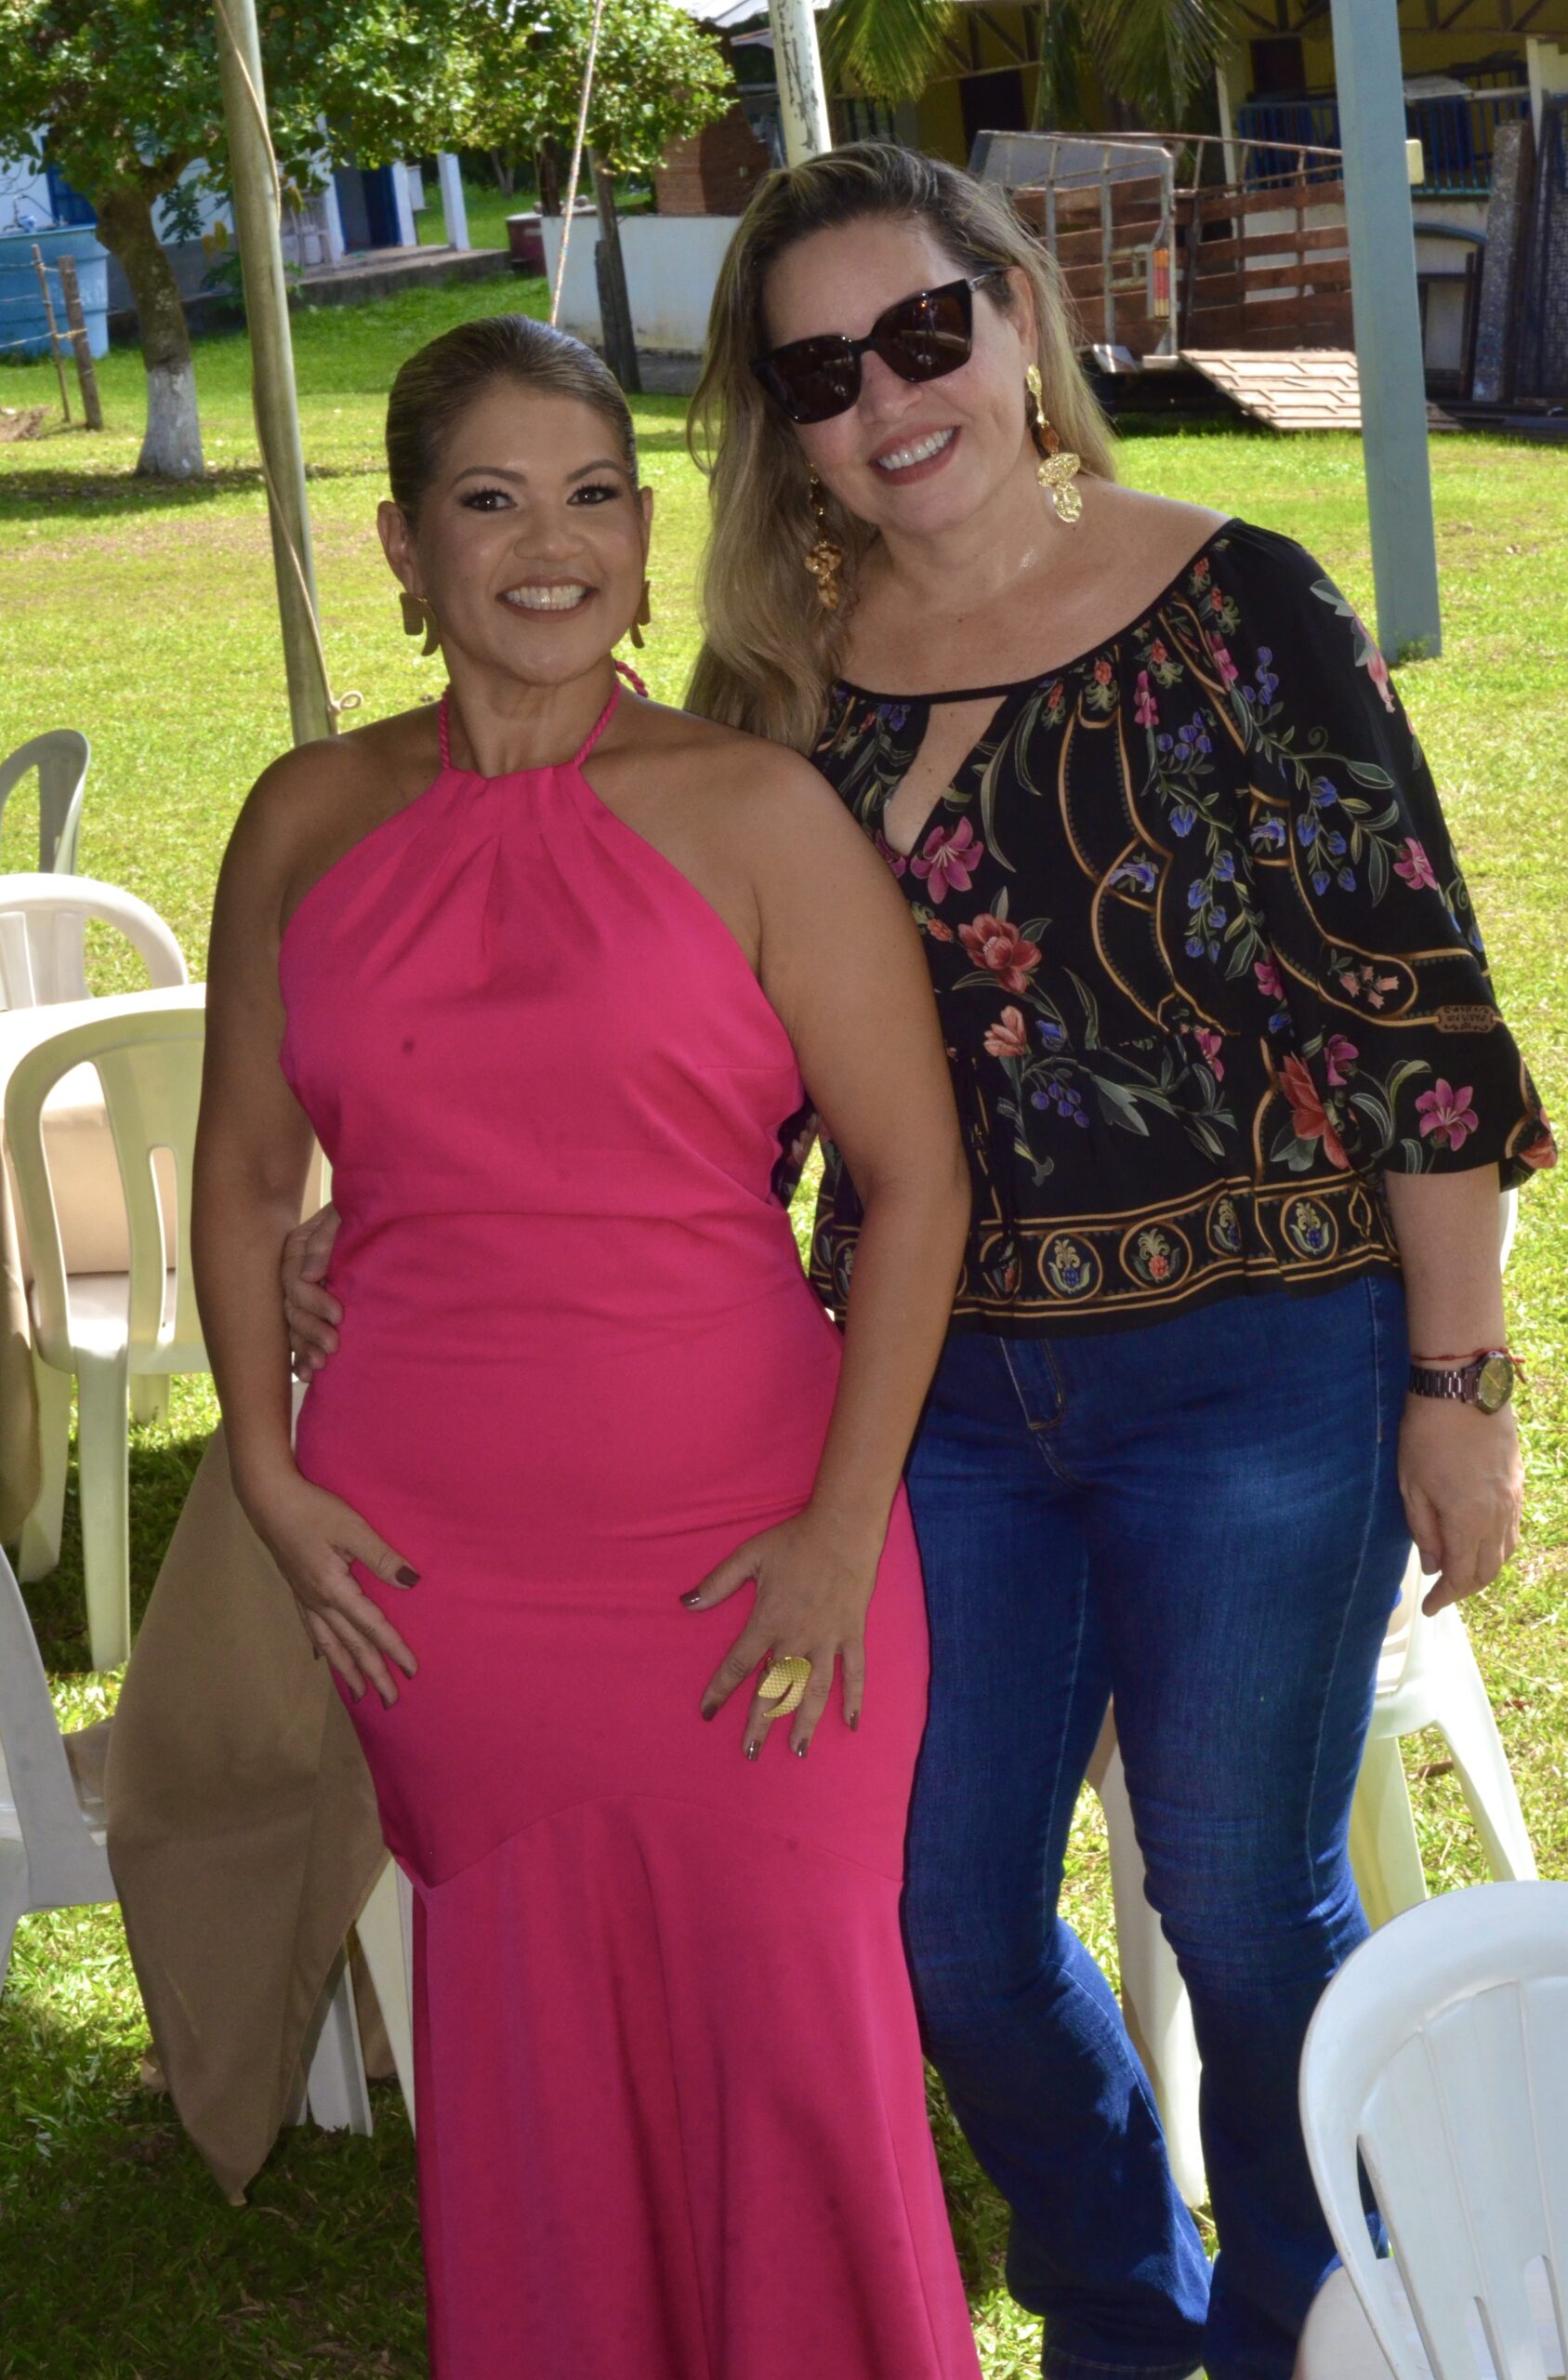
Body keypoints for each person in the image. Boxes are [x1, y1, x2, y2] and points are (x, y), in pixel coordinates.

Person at [285, 152, 1555, 2380]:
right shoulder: (776, 689)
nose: (887, 399)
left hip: (1256, 1365)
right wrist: (396, 1203)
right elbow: (692, 1034)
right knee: (936, 1919)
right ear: (780, 425)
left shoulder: (1236, 601)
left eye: (921, 334)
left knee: (1236, 1901)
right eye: (819, 371)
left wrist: (1456, 1385)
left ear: (1016, 323)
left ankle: (1301, 2323)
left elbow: (1413, 1020)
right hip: (928, 1393)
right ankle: (1120, 2304)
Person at [193, 312, 981, 2380]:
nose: (551, 546)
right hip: (438, 1581)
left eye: (595, 496)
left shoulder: (756, 811)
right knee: (534, 2060)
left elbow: (915, 1184)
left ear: (643, 538)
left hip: (753, 1552)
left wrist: (839, 1532)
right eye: (491, 500)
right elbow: (244, 1178)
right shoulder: (303, 818)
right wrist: (265, 1469)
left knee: (797, 2056)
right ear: (402, 545)